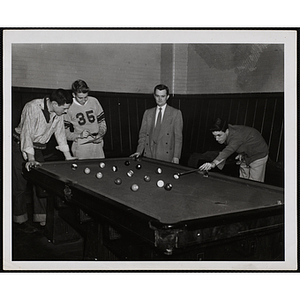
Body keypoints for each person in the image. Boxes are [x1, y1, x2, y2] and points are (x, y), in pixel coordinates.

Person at [12, 88, 76, 233]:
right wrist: (31, 159)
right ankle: (20, 221)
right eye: (64, 108)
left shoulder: (58, 112)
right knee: (20, 186)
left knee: (41, 184)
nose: (65, 112)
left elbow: (60, 134)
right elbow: (26, 134)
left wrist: (68, 156)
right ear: (54, 103)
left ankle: (41, 219)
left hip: (38, 148)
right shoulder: (32, 107)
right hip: (19, 146)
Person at [199, 118, 269, 182]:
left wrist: (212, 164)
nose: (217, 139)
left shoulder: (236, 136)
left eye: (219, 135)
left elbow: (228, 150)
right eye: (214, 136)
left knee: (254, 183)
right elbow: (241, 142)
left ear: (226, 131)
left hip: (259, 154)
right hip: (245, 155)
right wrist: (242, 152)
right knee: (243, 180)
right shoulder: (229, 131)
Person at [130, 84, 183, 163]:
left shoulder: (175, 113)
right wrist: (139, 151)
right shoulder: (148, 113)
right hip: (149, 155)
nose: (160, 99)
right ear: (154, 96)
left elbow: (178, 138)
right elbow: (143, 135)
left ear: (167, 97)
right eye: (157, 96)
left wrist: (176, 156)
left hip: (166, 156)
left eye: (163, 96)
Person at [64, 79, 107, 159]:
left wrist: (100, 134)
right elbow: (64, 133)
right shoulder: (68, 106)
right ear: (74, 94)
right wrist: (79, 135)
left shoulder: (94, 101)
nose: (83, 100)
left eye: (86, 97)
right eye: (80, 98)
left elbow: (102, 122)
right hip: (81, 144)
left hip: (97, 142)